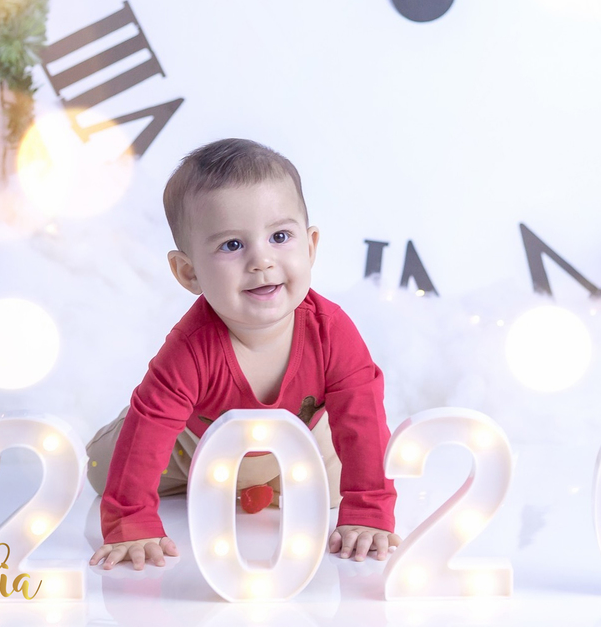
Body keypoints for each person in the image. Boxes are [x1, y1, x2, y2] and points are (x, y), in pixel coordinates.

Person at [87, 138, 400, 570]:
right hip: (191, 444)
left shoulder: (331, 331)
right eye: (232, 245)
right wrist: (131, 521)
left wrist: (368, 511)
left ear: (310, 246)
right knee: (106, 468)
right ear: (189, 272)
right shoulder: (192, 348)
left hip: (298, 439)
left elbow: (362, 416)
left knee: (336, 477)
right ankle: (148, 451)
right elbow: (153, 427)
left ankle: (259, 486)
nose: (261, 261)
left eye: (280, 236)